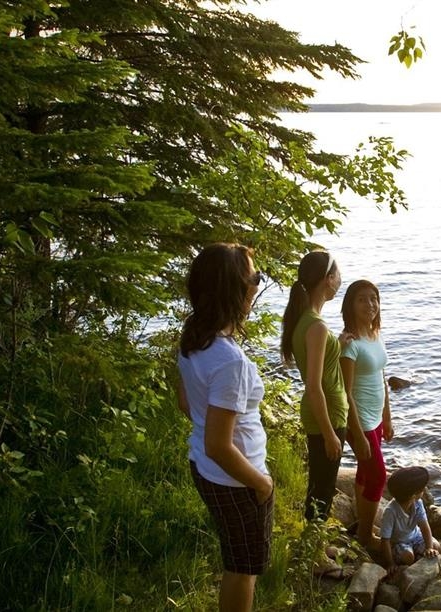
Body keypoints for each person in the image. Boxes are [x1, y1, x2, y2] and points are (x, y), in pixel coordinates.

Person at [177, 243, 273, 612]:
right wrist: (260, 482)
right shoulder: (231, 361)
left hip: (205, 466)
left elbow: (186, 403)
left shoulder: (194, 337)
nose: (257, 285)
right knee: (243, 569)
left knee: (236, 560)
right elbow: (220, 444)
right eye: (255, 278)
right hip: (236, 479)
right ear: (236, 289)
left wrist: (208, 426)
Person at [280, 250, 348, 522]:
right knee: (323, 489)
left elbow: (315, 363)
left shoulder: (306, 321)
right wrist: (329, 433)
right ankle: (314, 553)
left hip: (323, 414)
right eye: (338, 275)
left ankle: (313, 546)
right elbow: (313, 386)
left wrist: (338, 346)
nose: (341, 281)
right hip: (326, 416)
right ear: (328, 279)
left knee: (318, 484)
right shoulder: (317, 327)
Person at [339, 279, 393, 550]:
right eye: (362, 299)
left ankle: (363, 524)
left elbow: (381, 378)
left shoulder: (374, 335)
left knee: (365, 470)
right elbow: (345, 393)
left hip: (375, 417)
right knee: (378, 476)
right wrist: (357, 434)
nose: (370, 304)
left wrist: (388, 417)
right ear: (350, 304)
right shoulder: (350, 344)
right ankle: (364, 538)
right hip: (359, 419)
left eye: (374, 298)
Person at [380, 466, 441, 574]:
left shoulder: (417, 503)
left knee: (436, 546)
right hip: (399, 542)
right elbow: (385, 540)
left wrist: (429, 547)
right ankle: (414, 557)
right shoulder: (390, 511)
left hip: (415, 536)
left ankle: (418, 555)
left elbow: (424, 526)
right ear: (413, 495)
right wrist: (390, 563)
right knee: (408, 557)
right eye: (422, 489)